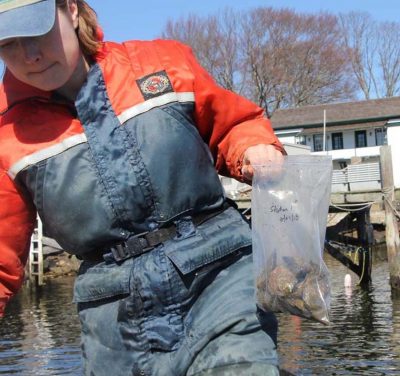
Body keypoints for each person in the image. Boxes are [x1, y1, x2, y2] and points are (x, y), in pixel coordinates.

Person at [0, 0, 285, 375]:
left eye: (37, 33)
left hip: (219, 277)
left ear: (70, 9)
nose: (30, 55)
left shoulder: (164, 63)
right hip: (113, 320)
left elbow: (233, 124)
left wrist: (252, 148)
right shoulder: (8, 137)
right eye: (8, 43)